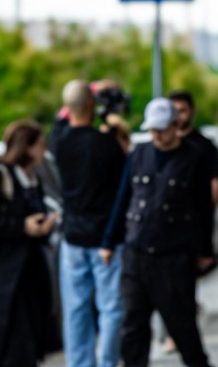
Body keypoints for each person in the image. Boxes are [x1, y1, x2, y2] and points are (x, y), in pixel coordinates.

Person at [101, 98, 215, 367]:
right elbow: (123, 199)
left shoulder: (194, 157)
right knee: (133, 326)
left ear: (176, 125)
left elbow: (204, 208)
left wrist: (206, 250)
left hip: (174, 255)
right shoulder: (138, 155)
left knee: (182, 325)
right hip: (137, 252)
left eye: (163, 129)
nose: (157, 135)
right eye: (153, 130)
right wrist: (108, 241)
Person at [55, 80, 127, 367]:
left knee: (75, 308)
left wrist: (89, 90)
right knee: (110, 307)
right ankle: (107, 361)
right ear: (91, 106)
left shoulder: (58, 141)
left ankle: (79, 363)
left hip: (73, 235)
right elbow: (122, 188)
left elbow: (60, 118)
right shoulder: (105, 143)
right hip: (104, 237)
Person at [0, 121, 58, 365]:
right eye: (40, 144)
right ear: (27, 146)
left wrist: (44, 227)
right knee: (16, 342)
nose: (44, 151)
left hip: (31, 269)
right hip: (9, 272)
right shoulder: (5, 174)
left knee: (34, 336)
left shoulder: (33, 176)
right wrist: (22, 226)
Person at [168, 91, 218, 206]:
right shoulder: (163, 145)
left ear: (192, 112)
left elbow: (215, 183)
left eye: (182, 111)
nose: (178, 116)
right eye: (174, 112)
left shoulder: (205, 146)